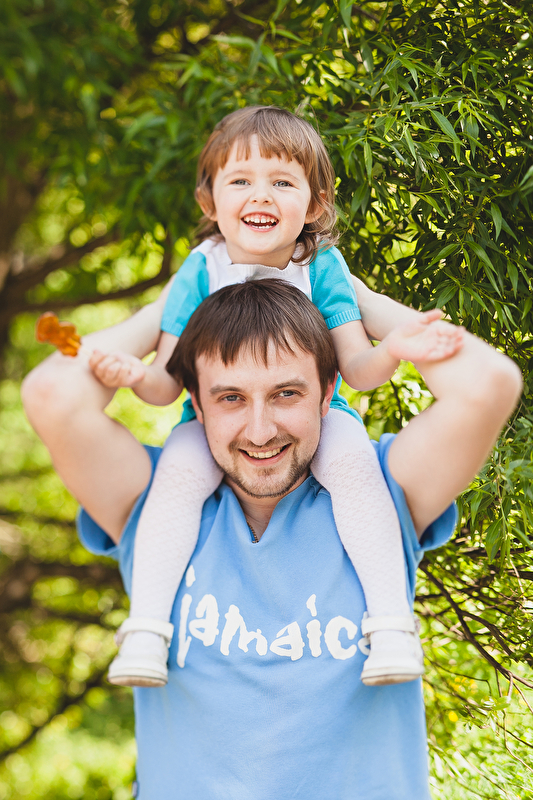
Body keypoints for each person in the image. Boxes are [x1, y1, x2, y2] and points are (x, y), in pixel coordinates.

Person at [22, 278, 521, 798]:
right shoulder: (156, 511)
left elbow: (488, 383)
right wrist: (169, 305)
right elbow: (51, 394)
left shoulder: (379, 496)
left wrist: (357, 299)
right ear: (196, 402)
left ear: (327, 391)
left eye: (286, 393)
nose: (260, 431)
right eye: (230, 398)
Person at [82, 106, 464, 689]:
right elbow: (165, 385)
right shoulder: (200, 270)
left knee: (357, 467)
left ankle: (391, 625)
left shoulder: (321, 268)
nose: (260, 195)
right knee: (176, 479)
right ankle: (147, 630)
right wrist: (132, 375)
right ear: (210, 201)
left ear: (313, 204)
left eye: (282, 182)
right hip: (210, 423)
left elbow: (357, 369)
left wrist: (395, 347)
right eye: (240, 180)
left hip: (316, 417)